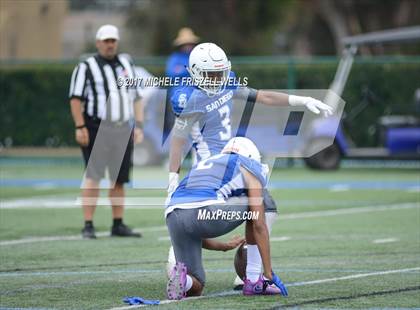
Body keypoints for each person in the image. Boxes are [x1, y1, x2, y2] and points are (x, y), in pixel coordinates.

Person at [166, 42, 333, 287]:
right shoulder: (187, 96)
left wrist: (301, 99)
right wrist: (172, 179)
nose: (217, 79)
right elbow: (178, 140)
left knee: (195, 223)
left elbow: (262, 96)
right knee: (264, 208)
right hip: (214, 170)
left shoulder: (226, 82)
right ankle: (251, 274)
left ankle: (198, 274)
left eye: (219, 73)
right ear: (195, 72)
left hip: (225, 165)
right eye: (211, 74)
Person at [166, 137, 289, 299]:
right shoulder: (250, 164)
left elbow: (192, 224)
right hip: (205, 210)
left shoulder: (206, 163)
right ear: (251, 156)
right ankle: (253, 280)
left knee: (196, 286)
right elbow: (258, 224)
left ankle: (183, 280)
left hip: (173, 214)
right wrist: (269, 272)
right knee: (259, 202)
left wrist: (223, 246)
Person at [69, 24, 144, 239]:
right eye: (106, 41)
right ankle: (88, 224)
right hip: (96, 127)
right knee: (93, 176)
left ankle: (117, 223)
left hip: (122, 127)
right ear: (98, 43)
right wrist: (80, 126)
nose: (110, 44)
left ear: (117, 42)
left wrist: (138, 125)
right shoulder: (86, 66)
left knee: (119, 179)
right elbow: (75, 98)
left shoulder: (126, 63)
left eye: (113, 40)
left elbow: (136, 96)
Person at [163, 28, 200, 144]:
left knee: (197, 131)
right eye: (186, 43)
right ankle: (174, 158)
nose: (188, 46)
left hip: (196, 98)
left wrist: (183, 69)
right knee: (177, 131)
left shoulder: (198, 57)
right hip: (178, 100)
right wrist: (190, 70)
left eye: (190, 43)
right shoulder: (175, 58)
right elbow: (171, 73)